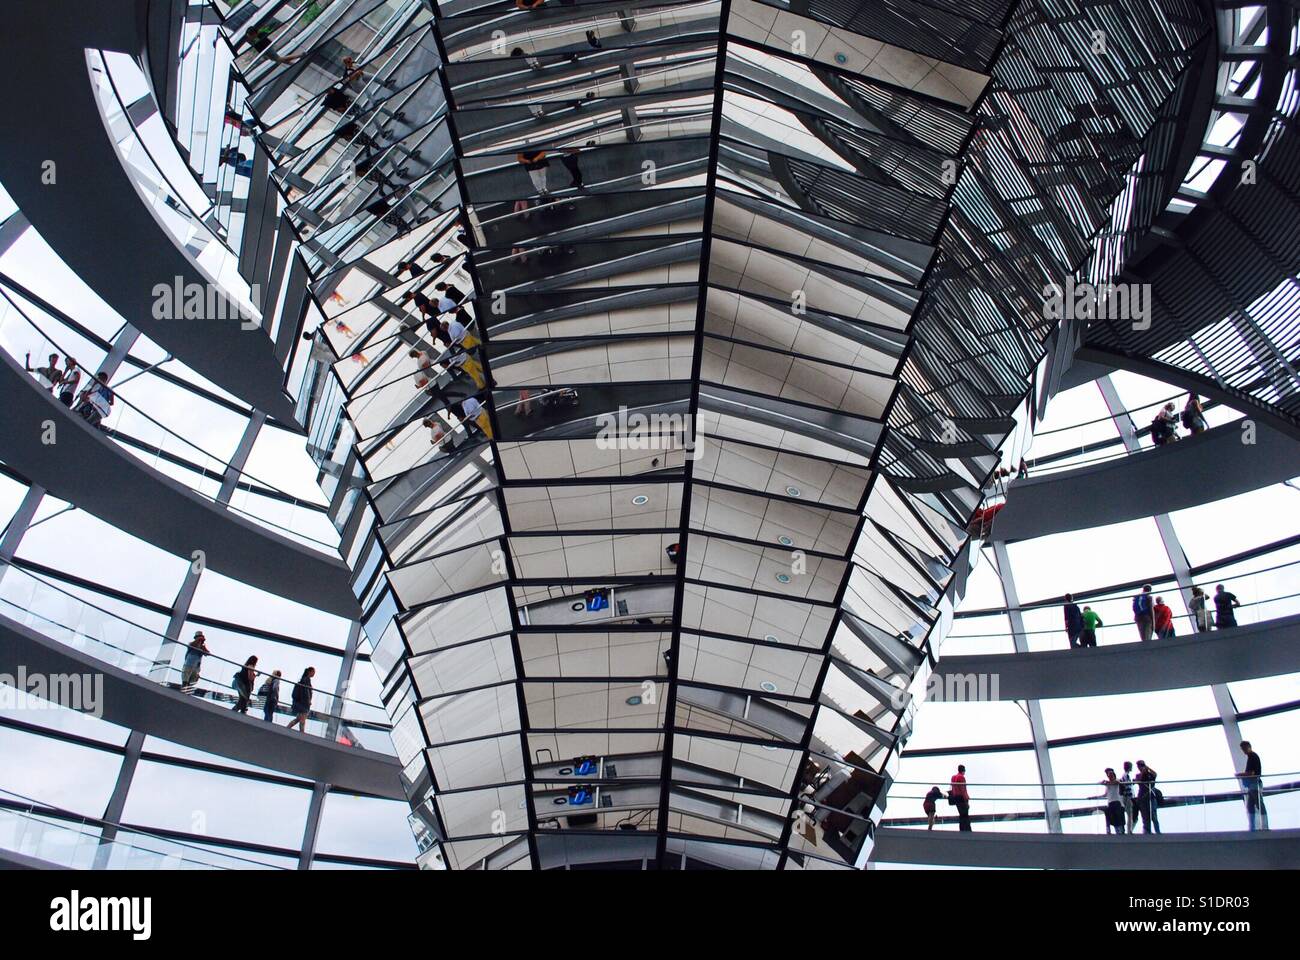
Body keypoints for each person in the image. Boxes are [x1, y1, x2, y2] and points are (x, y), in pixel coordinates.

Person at [1238, 741, 1266, 831]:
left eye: (1244, 748)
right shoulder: (1251, 756)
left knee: (1259, 804)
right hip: (1252, 784)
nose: (1243, 751)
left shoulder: (1252, 756)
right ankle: (1253, 827)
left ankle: (1264, 826)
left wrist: (1240, 775)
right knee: (1250, 806)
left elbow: (1252, 772)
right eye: (1242, 749)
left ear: (1248, 747)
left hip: (1255, 783)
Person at [1135, 760, 1160, 834]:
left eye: (1142, 765)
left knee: (1154, 815)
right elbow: (1139, 780)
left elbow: (1155, 774)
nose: (1141, 767)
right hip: (1142, 798)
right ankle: (1147, 831)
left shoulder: (1150, 775)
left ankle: (1157, 831)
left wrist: (1148, 768)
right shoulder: (1138, 775)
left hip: (1151, 797)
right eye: (1140, 766)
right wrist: (1143, 772)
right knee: (1145, 817)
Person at [287, 667, 315, 732]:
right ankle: (301, 733)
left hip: (300, 703)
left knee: (299, 719)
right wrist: (308, 701)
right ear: (310, 672)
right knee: (302, 720)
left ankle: (288, 728)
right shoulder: (307, 680)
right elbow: (306, 691)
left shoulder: (303, 679)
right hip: (304, 704)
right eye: (313, 672)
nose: (314, 674)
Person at [1100, 768, 1126, 835]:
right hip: (1110, 802)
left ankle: (1119, 831)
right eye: (1109, 775)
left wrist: (1107, 783)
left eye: (1111, 775)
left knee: (1117, 817)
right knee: (1108, 814)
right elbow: (1105, 794)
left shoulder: (1116, 781)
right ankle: (1109, 830)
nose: (1110, 777)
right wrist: (1094, 797)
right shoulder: (1108, 784)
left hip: (1117, 802)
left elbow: (1117, 782)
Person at [949, 764, 971, 831]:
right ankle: (967, 829)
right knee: (965, 814)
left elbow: (952, 788)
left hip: (956, 798)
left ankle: (962, 829)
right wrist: (966, 799)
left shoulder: (953, 777)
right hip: (961, 798)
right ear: (963, 771)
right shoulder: (961, 777)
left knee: (961, 814)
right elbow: (963, 789)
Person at [1119, 761, 1137, 834]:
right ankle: (1129, 830)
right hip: (1128, 797)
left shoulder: (1124, 775)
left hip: (1126, 796)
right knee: (1130, 814)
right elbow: (1127, 786)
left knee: (1129, 814)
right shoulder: (1126, 775)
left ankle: (1128, 830)